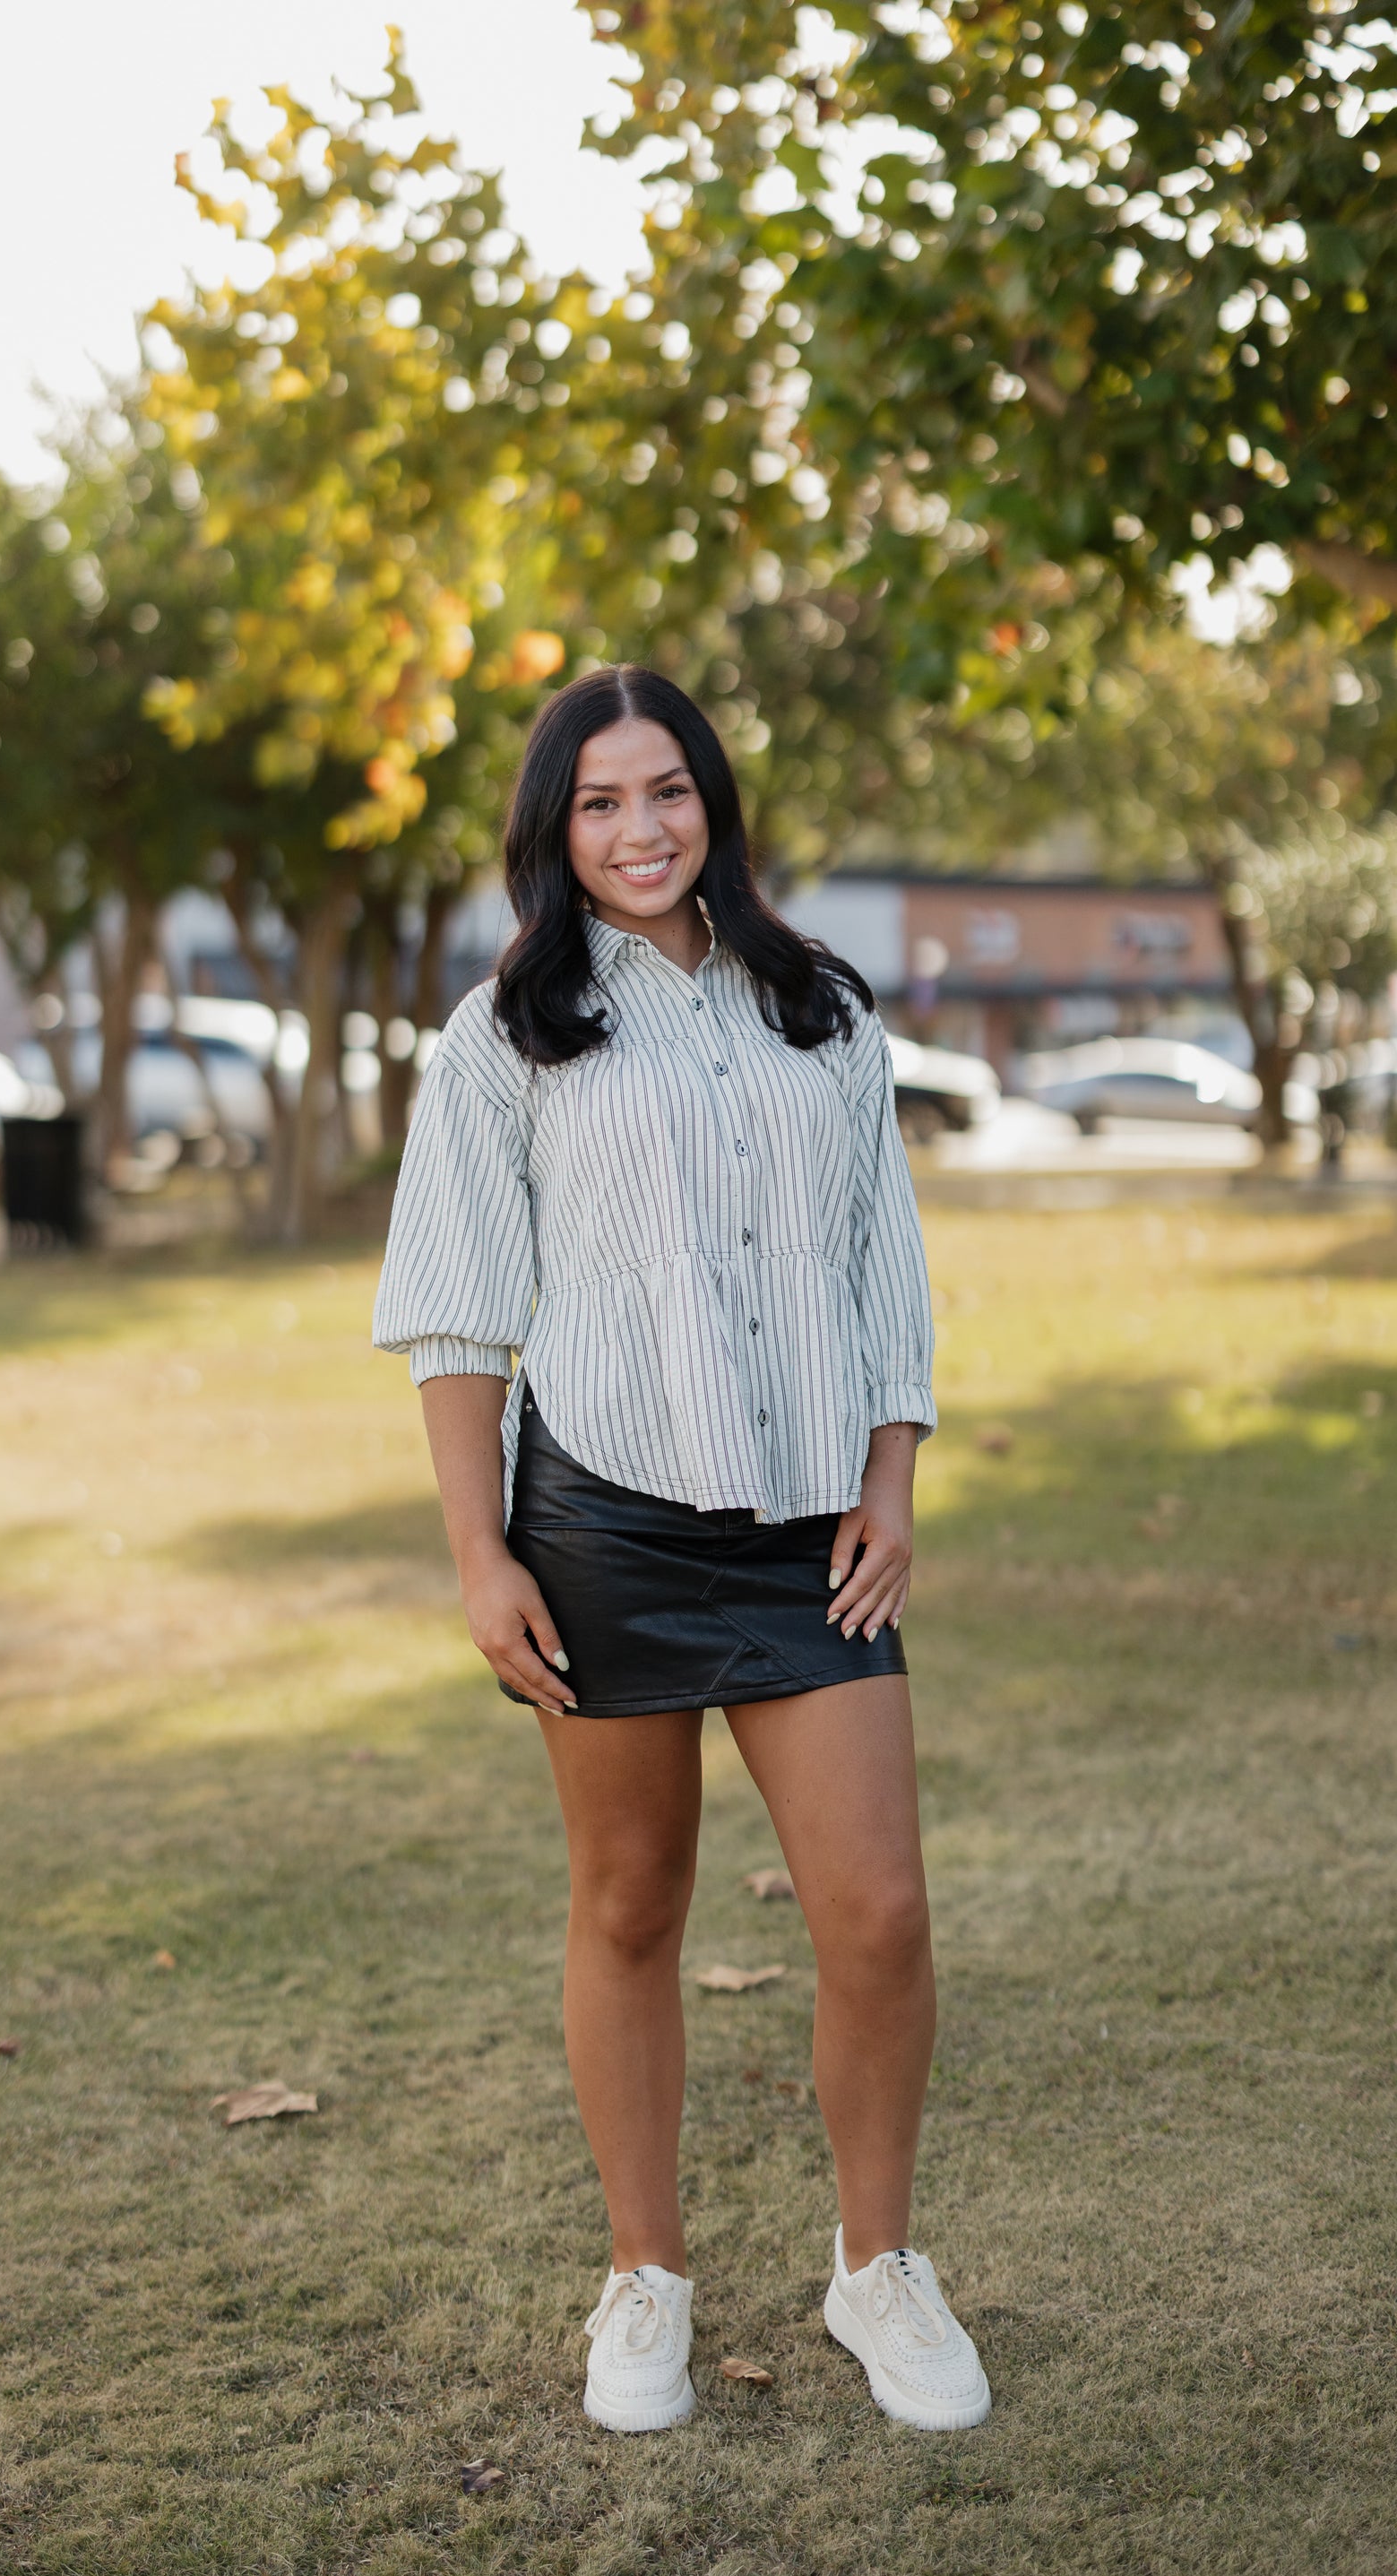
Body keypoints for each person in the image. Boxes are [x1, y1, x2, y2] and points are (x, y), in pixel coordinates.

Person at [373, 664, 990, 2435]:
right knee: (631, 1904)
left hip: (810, 1531)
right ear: (553, 828)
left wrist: (891, 1477)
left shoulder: (823, 1012)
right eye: (599, 801)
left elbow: (885, 1267)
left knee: (877, 1909)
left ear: (710, 800)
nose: (639, 829)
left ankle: (874, 2265)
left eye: (666, 791)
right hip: (601, 1528)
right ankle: (643, 2271)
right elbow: (459, 1318)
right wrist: (481, 1556)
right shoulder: (503, 1033)